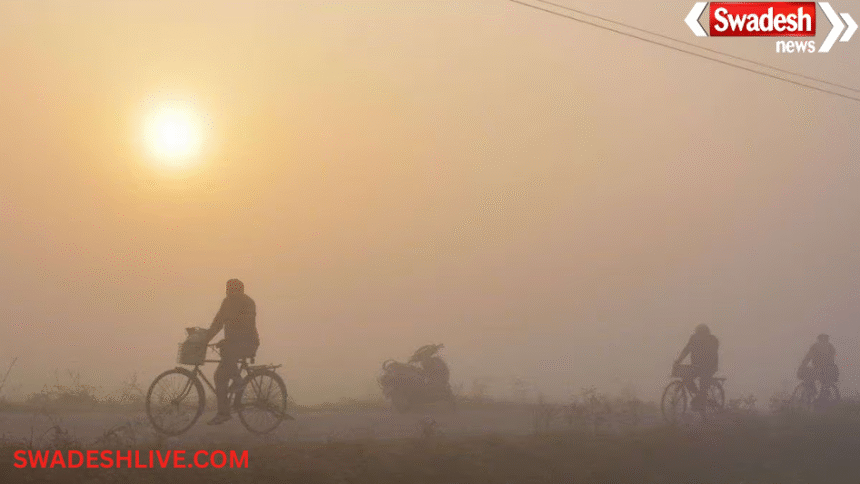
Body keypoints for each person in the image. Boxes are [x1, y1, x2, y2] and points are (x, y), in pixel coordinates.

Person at [204, 279, 259, 425]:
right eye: (228, 290)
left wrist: (229, 339)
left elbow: (246, 325)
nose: (229, 292)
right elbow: (218, 323)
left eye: (231, 290)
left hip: (248, 343)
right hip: (232, 345)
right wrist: (205, 340)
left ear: (239, 290)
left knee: (223, 368)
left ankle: (238, 382)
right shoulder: (227, 302)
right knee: (220, 376)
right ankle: (224, 412)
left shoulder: (248, 303)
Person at [674, 324, 719, 409]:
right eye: (699, 333)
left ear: (707, 333)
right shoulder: (694, 338)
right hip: (696, 366)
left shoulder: (713, 340)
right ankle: (698, 395)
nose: (700, 336)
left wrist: (706, 365)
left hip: (710, 367)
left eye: (702, 334)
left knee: (703, 384)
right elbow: (686, 350)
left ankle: (703, 407)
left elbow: (713, 354)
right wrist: (678, 361)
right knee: (687, 377)